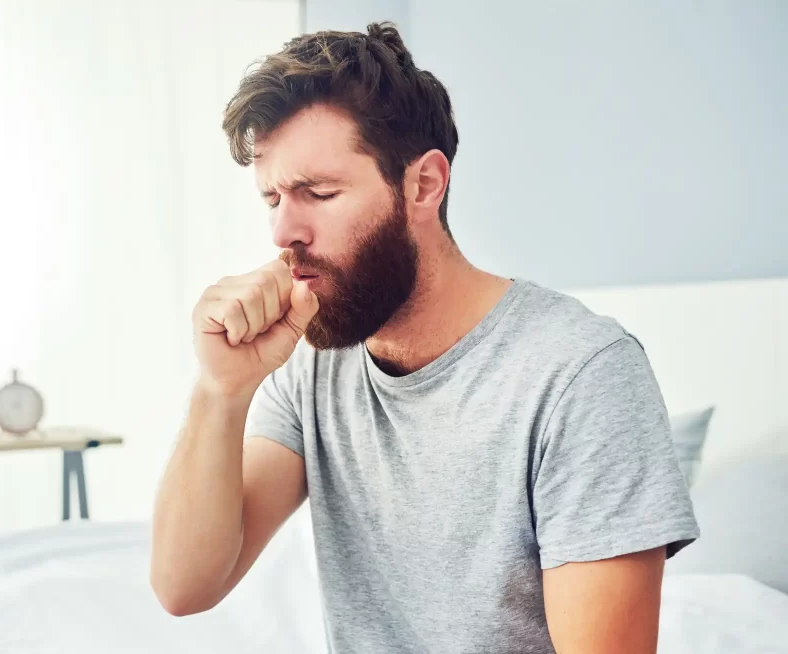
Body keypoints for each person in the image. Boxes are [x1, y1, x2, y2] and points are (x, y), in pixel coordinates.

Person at [150, 21, 699, 653]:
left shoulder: (579, 374)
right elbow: (183, 587)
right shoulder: (313, 370)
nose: (283, 231)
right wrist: (221, 390)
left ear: (424, 184)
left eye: (318, 193)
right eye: (272, 197)